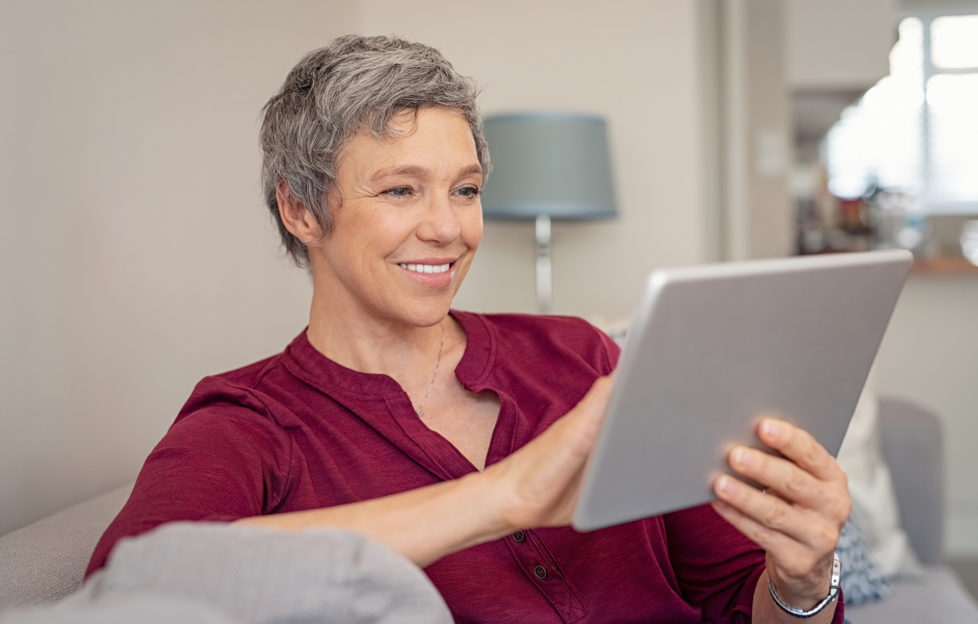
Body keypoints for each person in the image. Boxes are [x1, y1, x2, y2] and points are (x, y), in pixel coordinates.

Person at [87, 34, 850, 623]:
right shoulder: (250, 423)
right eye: (399, 190)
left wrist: (804, 581)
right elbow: (131, 591)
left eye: (466, 189)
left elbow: (735, 603)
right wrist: (504, 497)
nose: (449, 228)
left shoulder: (581, 356)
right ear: (300, 209)